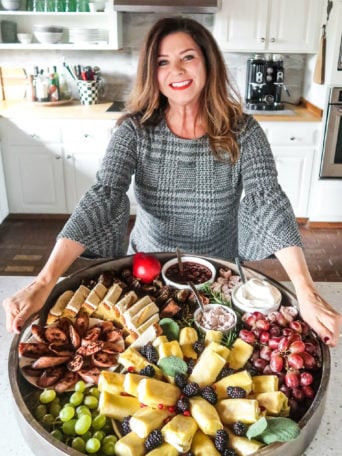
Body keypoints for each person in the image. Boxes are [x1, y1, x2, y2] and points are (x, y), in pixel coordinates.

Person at [3, 17, 341, 346]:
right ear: (153, 74)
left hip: (218, 276)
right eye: (163, 62)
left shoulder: (244, 132)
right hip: (147, 273)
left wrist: (305, 290)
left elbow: (267, 199)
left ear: (208, 63)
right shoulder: (135, 131)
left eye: (188, 57)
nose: (176, 71)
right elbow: (104, 196)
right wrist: (45, 281)